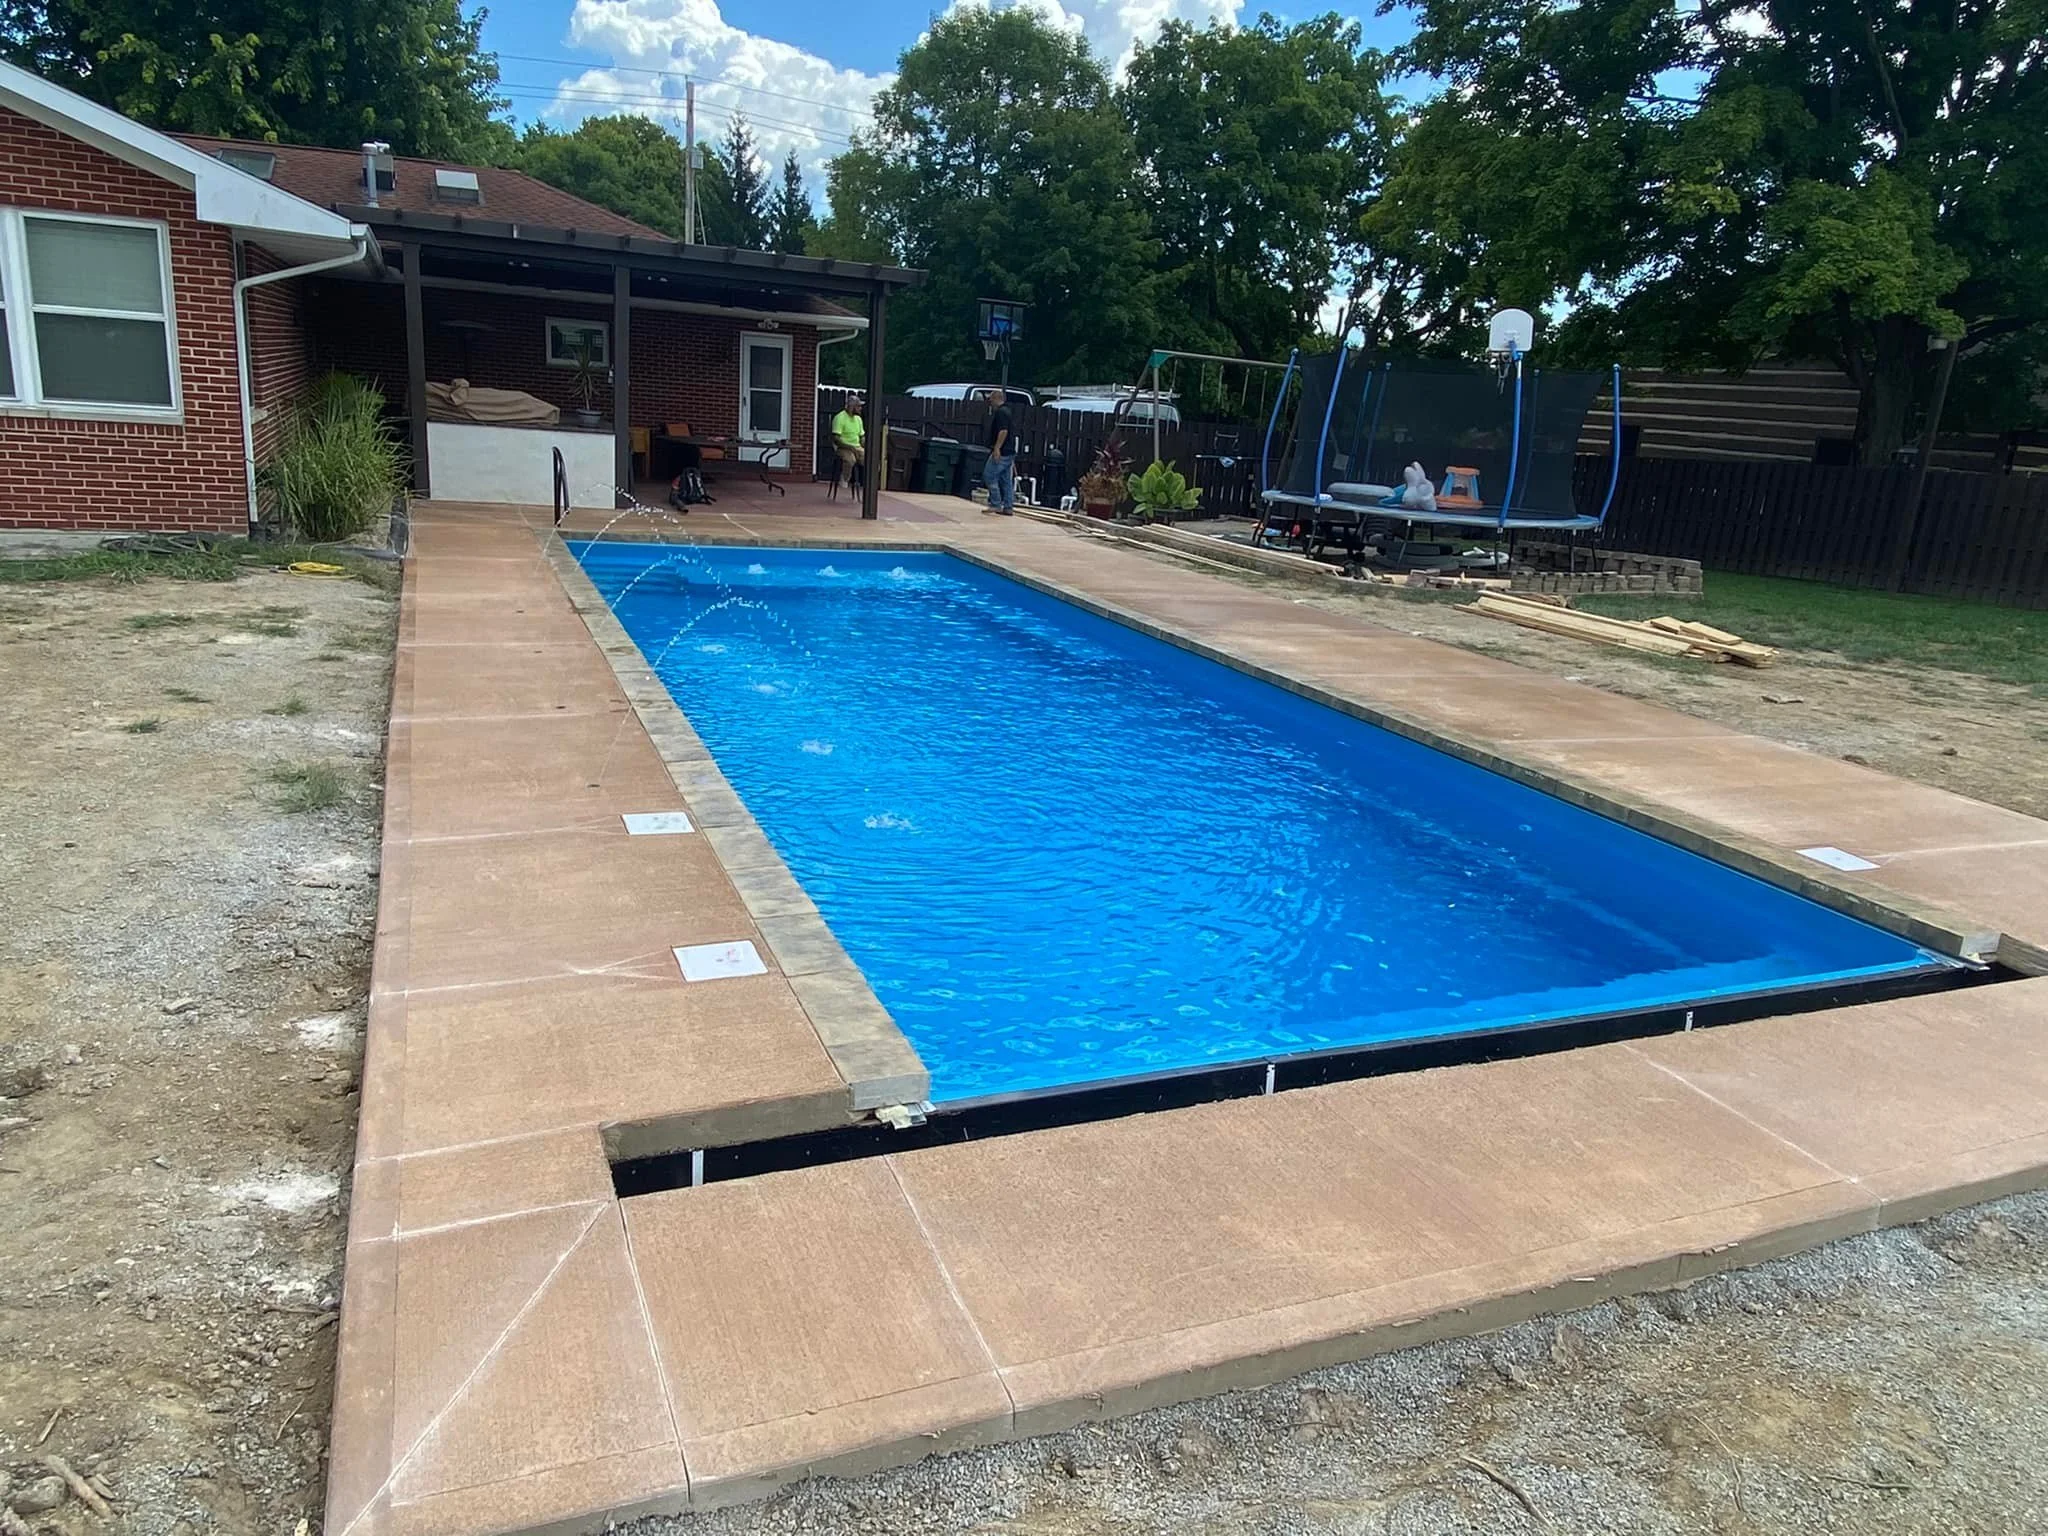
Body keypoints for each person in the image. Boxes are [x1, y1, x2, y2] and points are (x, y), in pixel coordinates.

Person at [981, 388, 1016, 515]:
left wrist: (997, 448)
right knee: (1006, 480)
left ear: (996, 398)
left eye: (990, 400)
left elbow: (1003, 431)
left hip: (1003, 451)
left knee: (989, 475)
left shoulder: (1001, 413)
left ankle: (995, 503)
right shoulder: (1008, 411)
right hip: (1010, 450)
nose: (990, 403)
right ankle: (1008, 506)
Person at [830, 393, 866, 494]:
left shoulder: (858, 419)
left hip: (857, 446)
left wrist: (863, 442)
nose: (860, 409)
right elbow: (836, 439)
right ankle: (845, 478)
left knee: (871, 461)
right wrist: (849, 447)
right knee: (850, 459)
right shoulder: (840, 418)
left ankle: (868, 485)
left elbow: (862, 435)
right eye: (858, 406)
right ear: (852, 407)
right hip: (843, 447)